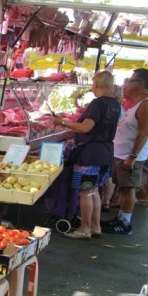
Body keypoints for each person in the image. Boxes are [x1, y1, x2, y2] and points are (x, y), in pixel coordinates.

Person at [50, 71, 120, 239]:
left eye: (93, 85)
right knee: (94, 190)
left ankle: (84, 229)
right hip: (105, 153)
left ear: (97, 85)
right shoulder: (115, 104)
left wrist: (63, 122)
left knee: (85, 191)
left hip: (90, 154)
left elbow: (85, 128)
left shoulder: (98, 103)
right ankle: (95, 227)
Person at [104, 68, 148, 235]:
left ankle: (125, 223)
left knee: (128, 190)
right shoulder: (140, 101)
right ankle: (120, 218)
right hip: (123, 153)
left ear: (141, 83)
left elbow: (144, 132)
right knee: (124, 187)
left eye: (131, 80)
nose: (128, 83)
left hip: (129, 155)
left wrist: (132, 157)